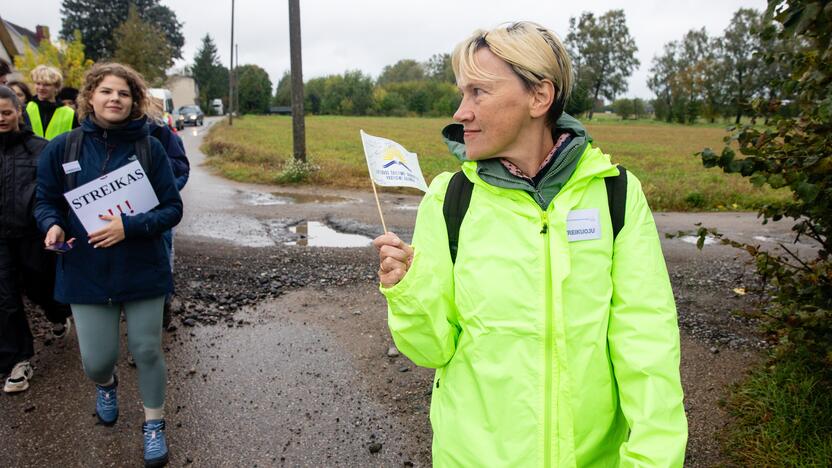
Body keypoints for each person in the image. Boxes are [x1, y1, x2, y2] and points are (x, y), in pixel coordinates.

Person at [373, 22, 687, 466]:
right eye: (462, 94)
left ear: (539, 97)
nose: (461, 112)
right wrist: (406, 292)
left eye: (478, 92)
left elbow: (648, 345)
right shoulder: (449, 200)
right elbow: (431, 350)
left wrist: (652, 459)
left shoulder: (614, 193)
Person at [36, 63, 182, 467]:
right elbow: (45, 200)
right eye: (106, 91)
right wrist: (50, 226)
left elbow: (172, 209)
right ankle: (107, 384)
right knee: (95, 360)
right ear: (90, 97)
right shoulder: (62, 148)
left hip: (141, 269)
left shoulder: (150, 148)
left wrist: (129, 226)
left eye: (123, 93)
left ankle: (154, 425)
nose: (114, 98)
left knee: (147, 349)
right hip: (86, 270)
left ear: (134, 101)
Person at [0, 85, 71, 393]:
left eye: (6, 112)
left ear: (19, 112)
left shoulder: (41, 149)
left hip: (32, 236)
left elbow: (59, 191)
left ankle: (58, 313)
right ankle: (17, 360)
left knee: (40, 288)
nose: (1, 118)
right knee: (5, 300)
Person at [26, 65, 78, 140]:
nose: (41, 88)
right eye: (38, 83)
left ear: (56, 87)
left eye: (46, 85)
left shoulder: (70, 113)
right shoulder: (26, 108)